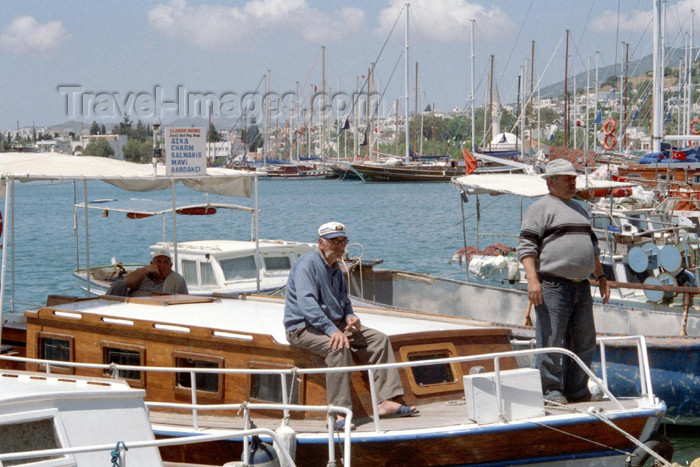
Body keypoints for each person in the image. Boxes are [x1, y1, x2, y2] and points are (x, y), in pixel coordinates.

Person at [284, 221, 417, 430]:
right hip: (302, 328)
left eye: (343, 241)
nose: (339, 246)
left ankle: (387, 401)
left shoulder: (335, 267)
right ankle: (338, 414)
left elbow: (344, 300)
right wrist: (332, 330)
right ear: (321, 243)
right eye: (333, 241)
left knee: (379, 340)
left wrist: (350, 316)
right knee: (338, 347)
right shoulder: (306, 265)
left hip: (333, 324)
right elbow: (307, 305)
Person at [516, 159, 610, 405]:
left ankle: (577, 390)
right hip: (553, 285)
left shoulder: (581, 209)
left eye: (574, 178)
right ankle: (550, 391)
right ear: (551, 182)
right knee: (551, 338)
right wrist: (532, 280)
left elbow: (593, 248)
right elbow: (526, 246)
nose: (573, 182)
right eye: (567, 178)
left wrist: (600, 277)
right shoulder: (540, 208)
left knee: (585, 339)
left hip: (581, 285)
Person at [105, 250, 188, 297]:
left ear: (170, 266)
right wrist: (145, 270)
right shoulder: (143, 273)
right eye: (159, 262)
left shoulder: (177, 280)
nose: (162, 265)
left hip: (156, 310)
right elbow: (126, 282)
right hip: (131, 307)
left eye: (165, 262)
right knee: (118, 284)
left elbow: (186, 301)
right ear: (151, 264)